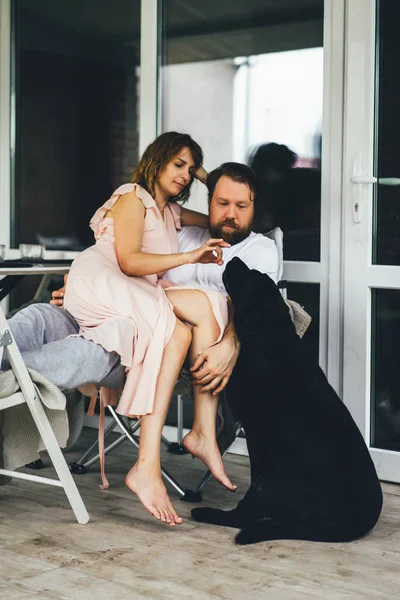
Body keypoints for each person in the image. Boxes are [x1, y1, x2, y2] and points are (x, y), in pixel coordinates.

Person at [2, 160, 279, 521]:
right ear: (207, 201)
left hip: (144, 343)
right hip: (111, 310)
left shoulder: (259, 251)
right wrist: (84, 284)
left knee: (87, 353)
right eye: (221, 203)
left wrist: (232, 341)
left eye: (241, 206)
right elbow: (125, 260)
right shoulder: (178, 230)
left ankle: (10, 381)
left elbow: (259, 309)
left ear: (255, 209)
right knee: (37, 317)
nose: (230, 214)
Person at [62, 131, 239, 526]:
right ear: (156, 160)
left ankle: (202, 430)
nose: (185, 175)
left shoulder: (171, 213)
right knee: (174, 331)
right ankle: (147, 466)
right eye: (179, 165)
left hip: (141, 287)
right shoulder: (131, 197)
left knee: (211, 302)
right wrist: (191, 253)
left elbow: (219, 214)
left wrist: (208, 176)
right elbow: (127, 260)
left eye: (190, 170)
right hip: (103, 277)